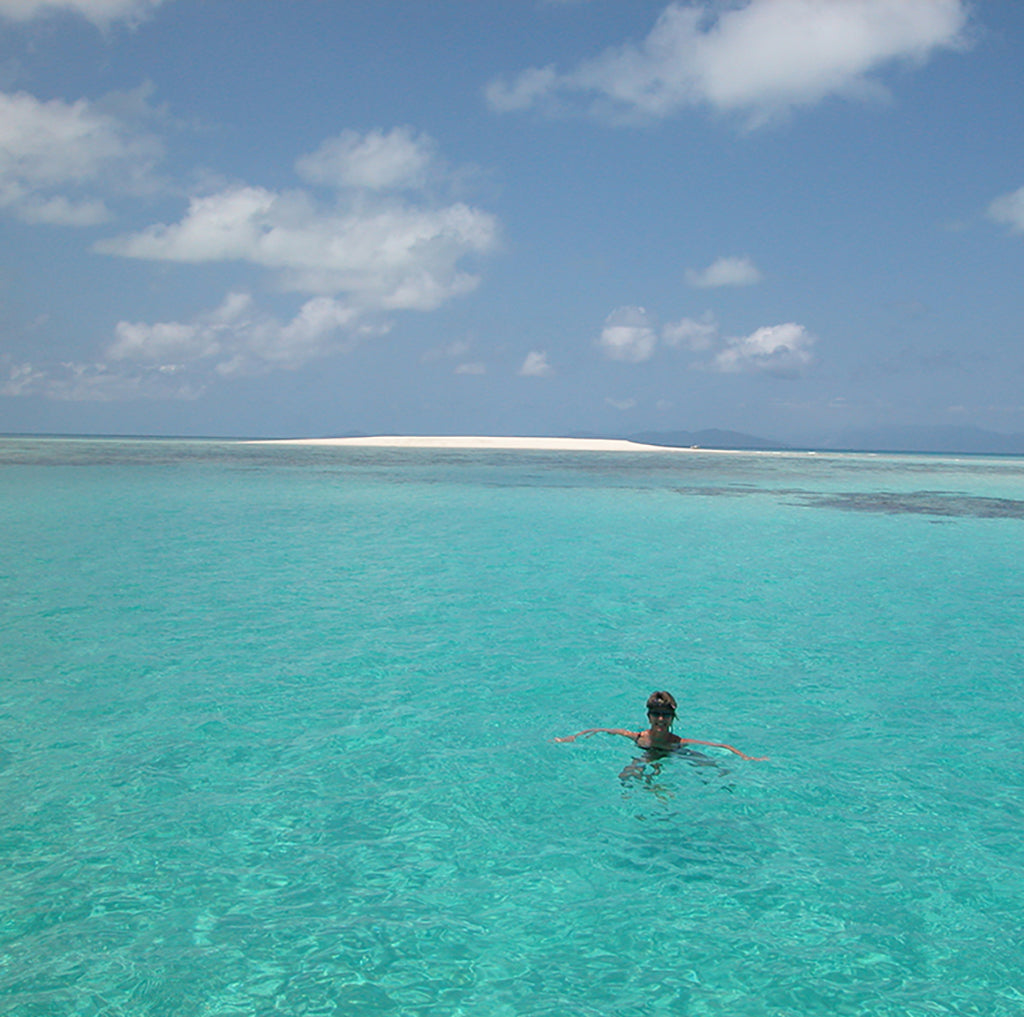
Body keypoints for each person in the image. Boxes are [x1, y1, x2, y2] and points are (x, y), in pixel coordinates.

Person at [554, 690, 767, 761]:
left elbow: (721, 747)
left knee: (706, 765)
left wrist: (746, 757)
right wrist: (573, 737)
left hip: (673, 754)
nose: (661, 719)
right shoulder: (638, 737)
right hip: (648, 753)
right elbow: (602, 729)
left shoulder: (678, 742)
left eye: (665, 715)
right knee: (628, 774)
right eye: (656, 714)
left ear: (672, 718)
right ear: (649, 717)